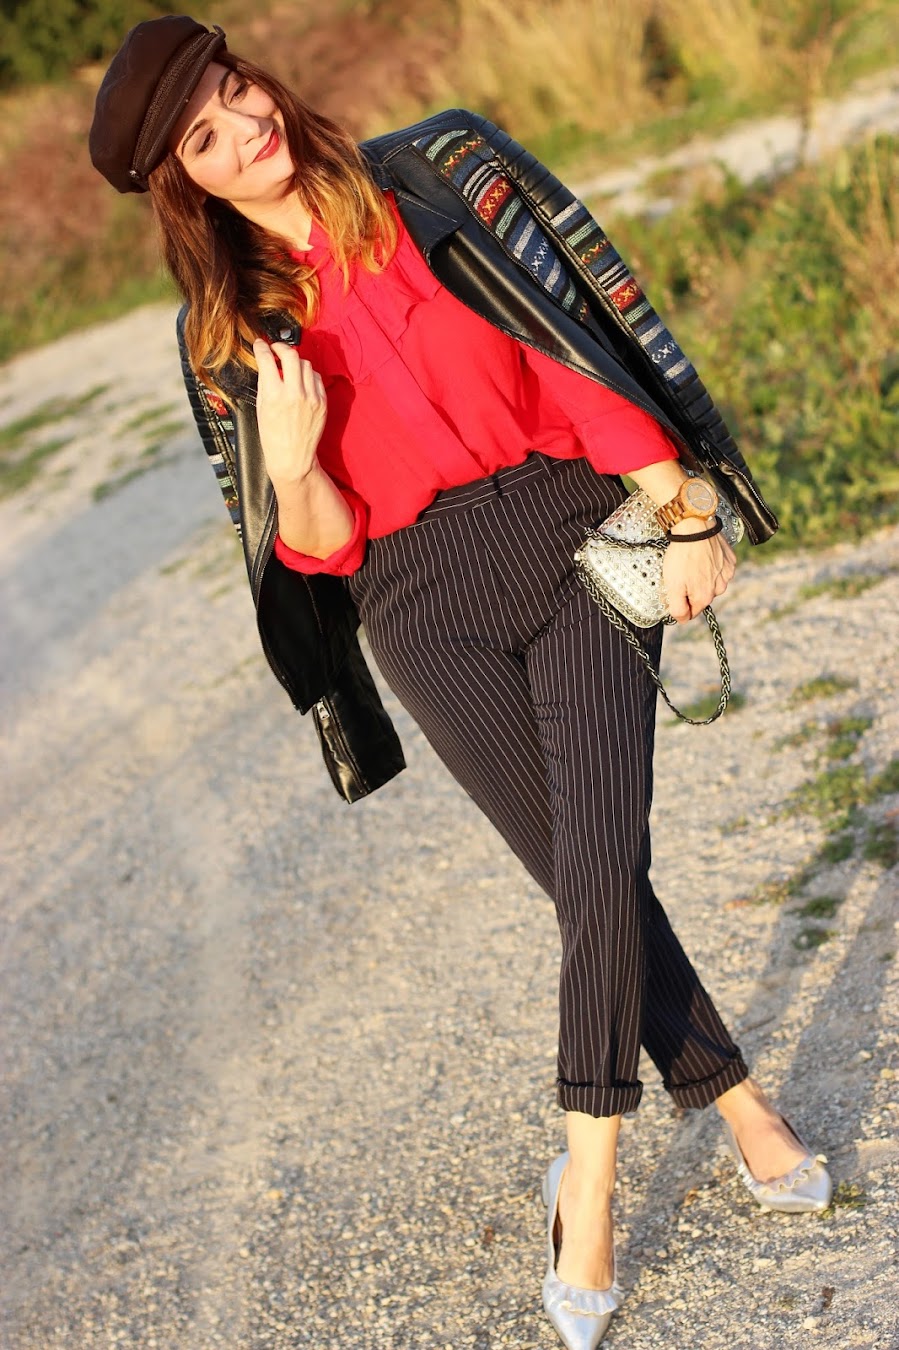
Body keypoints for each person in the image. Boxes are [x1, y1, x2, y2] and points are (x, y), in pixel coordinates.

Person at [89, 17, 832, 1347]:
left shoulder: (434, 175)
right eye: (205, 135)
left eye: (236, 91)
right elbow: (319, 547)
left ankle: (586, 1192)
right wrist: (293, 457)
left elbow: (568, 345)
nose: (245, 128)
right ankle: (737, 1102)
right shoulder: (228, 336)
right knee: (580, 872)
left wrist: (679, 502)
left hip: (572, 530)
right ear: (181, 184)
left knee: (600, 850)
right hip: (417, 603)